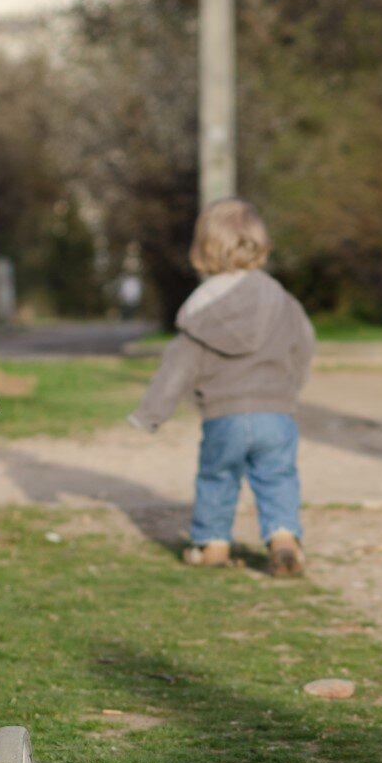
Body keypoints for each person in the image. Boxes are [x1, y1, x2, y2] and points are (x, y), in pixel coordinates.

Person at [128, 198, 315, 576]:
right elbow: (304, 344)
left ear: (203, 250)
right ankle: (284, 538)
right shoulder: (282, 300)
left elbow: (177, 368)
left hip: (224, 415)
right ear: (260, 245)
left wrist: (151, 414)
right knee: (278, 476)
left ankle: (212, 543)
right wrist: (289, 389)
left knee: (217, 477)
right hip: (275, 411)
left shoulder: (201, 309)